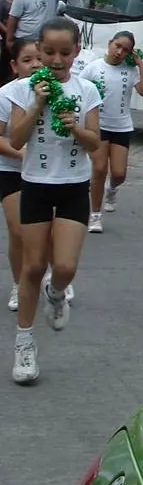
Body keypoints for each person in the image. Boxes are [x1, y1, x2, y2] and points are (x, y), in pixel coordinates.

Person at [6, 18, 102, 384]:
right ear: (39, 51)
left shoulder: (87, 90)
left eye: (65, 52)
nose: (56, 59)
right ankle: (24, 343)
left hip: (74, 185)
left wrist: (75, 125)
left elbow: (94, 142)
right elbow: (15, 140)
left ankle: (57, 292)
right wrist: (37, 104)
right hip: (35, 185)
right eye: (49, 52)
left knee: (63, 266)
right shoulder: (21, 89)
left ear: (76, 52)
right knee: (32, 267)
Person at [81, 31, 143, 234]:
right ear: (110, 43)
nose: (119, 52)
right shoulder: (93, 68)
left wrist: (139, 64)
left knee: (119, 173)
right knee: (100, 168)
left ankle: (112, 189)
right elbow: (80, 91)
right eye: (117, 46)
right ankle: (95, 215)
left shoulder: (130, 69)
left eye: (125, 50)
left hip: (121, 126)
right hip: (99, 126)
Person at [1, 40, 43, 312]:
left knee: (44, 233)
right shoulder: (6, 94)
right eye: (27, 60)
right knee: (18, 231)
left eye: (40, 58)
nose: (36, 64)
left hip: (47, 172)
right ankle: (19, 284)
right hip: (10, 170)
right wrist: (23, 154)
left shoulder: (58, 91)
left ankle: (51, 275)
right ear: (14, 66)